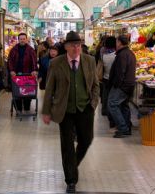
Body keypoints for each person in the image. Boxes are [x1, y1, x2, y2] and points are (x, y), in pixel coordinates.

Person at [42, 31, 99, 194]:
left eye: (78, 45)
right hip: (64, 110)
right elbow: (49, 88)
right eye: (73, 45)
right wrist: (46, 111)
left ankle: (71, 165)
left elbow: (95, 84)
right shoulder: (56, 63)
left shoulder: (90, 61)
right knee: (66, 145)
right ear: (66, 47)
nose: (76, 48)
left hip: (85, 108)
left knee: (87, 140)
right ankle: (71, 180)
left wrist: (93, 103)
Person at [107, 34, 136, 138]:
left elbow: (121, 72)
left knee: (112, 104)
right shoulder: (130, 53)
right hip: (129, 84)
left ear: (119, 42)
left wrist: (116, 85)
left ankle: (123, 128)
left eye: (116, 42)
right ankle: (127, 128)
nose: (115, 44)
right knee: (124, 105)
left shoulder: (122, 55)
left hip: (122, 86)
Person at [7, 33, 38, 112]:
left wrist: (34, 70)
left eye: (24, 39)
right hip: (16, 75)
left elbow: (34, 61)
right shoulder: (14, 49)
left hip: (28, 75)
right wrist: (11, 70)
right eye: (21, 39)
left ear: (26, 39)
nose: (22, 40)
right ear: (18, 40)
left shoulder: (31, 50)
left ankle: (27, 106)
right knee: (17, 92)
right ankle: (19, 108)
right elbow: (10, 61)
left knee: (27, 91)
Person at [99, 36, 117, 129]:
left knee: (105, 96)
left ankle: (104, 110)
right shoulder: (115, 55)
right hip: (113, 79)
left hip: (105, 78)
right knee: (113, 99)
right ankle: (112, 118)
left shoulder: (103, 53)